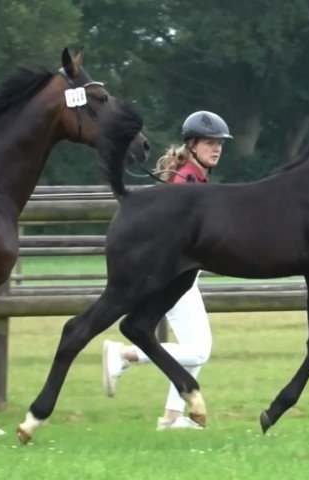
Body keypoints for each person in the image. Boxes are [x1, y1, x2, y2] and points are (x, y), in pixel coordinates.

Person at [101, 111, 233, 430]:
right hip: (174, 276)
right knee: (199, 350)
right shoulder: (186, 180)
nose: (216, 149)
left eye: (219, 144)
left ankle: (172, 418)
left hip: (185, 274)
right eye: (210, 143)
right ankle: (124, 355)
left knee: (194, 344)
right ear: (192, 144)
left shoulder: (194, 176)